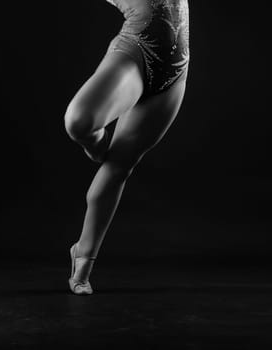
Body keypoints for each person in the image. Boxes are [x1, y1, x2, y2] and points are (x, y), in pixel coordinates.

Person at [64, 0, 190, 295]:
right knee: (79, 121)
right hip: (134, 53)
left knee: (120, 167)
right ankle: (95, 144)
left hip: (173, 74)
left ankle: (83, 259)